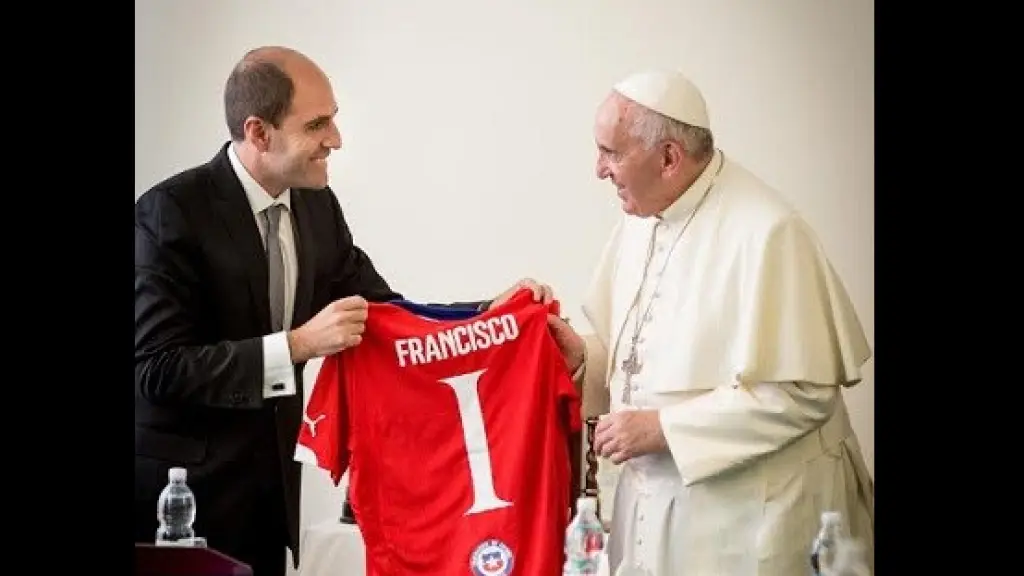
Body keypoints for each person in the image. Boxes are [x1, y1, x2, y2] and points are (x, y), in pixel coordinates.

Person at [134, 45, 554, 576]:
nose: (336, 139)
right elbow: (157, 369)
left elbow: (384, 312)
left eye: (332, 119)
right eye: (317, 125)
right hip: (178, 512)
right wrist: (299, 346)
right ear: (259, 132)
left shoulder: (316, 204)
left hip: (268, 503)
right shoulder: (169, 212)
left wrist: (491, 311)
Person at [546, 70, 875, 575]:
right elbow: (651, 355)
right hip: (658, 509)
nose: (599, 170)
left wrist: (664, 428)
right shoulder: (643, 217)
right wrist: (587, 357)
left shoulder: (768, 231)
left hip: (753, 518)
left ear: (669, 158)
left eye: (611, 152)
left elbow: (803, 393)